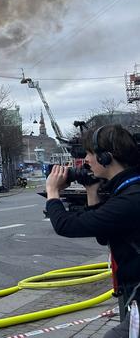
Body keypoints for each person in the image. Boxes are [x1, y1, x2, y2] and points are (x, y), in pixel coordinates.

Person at [45, 125, 140, 338]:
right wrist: (92, 191)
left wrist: (52, 191)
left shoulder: (129, 200)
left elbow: (65, 226)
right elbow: (104, 236)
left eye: (89, 153)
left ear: (106, 157)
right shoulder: (128, 189)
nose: (86, 160)